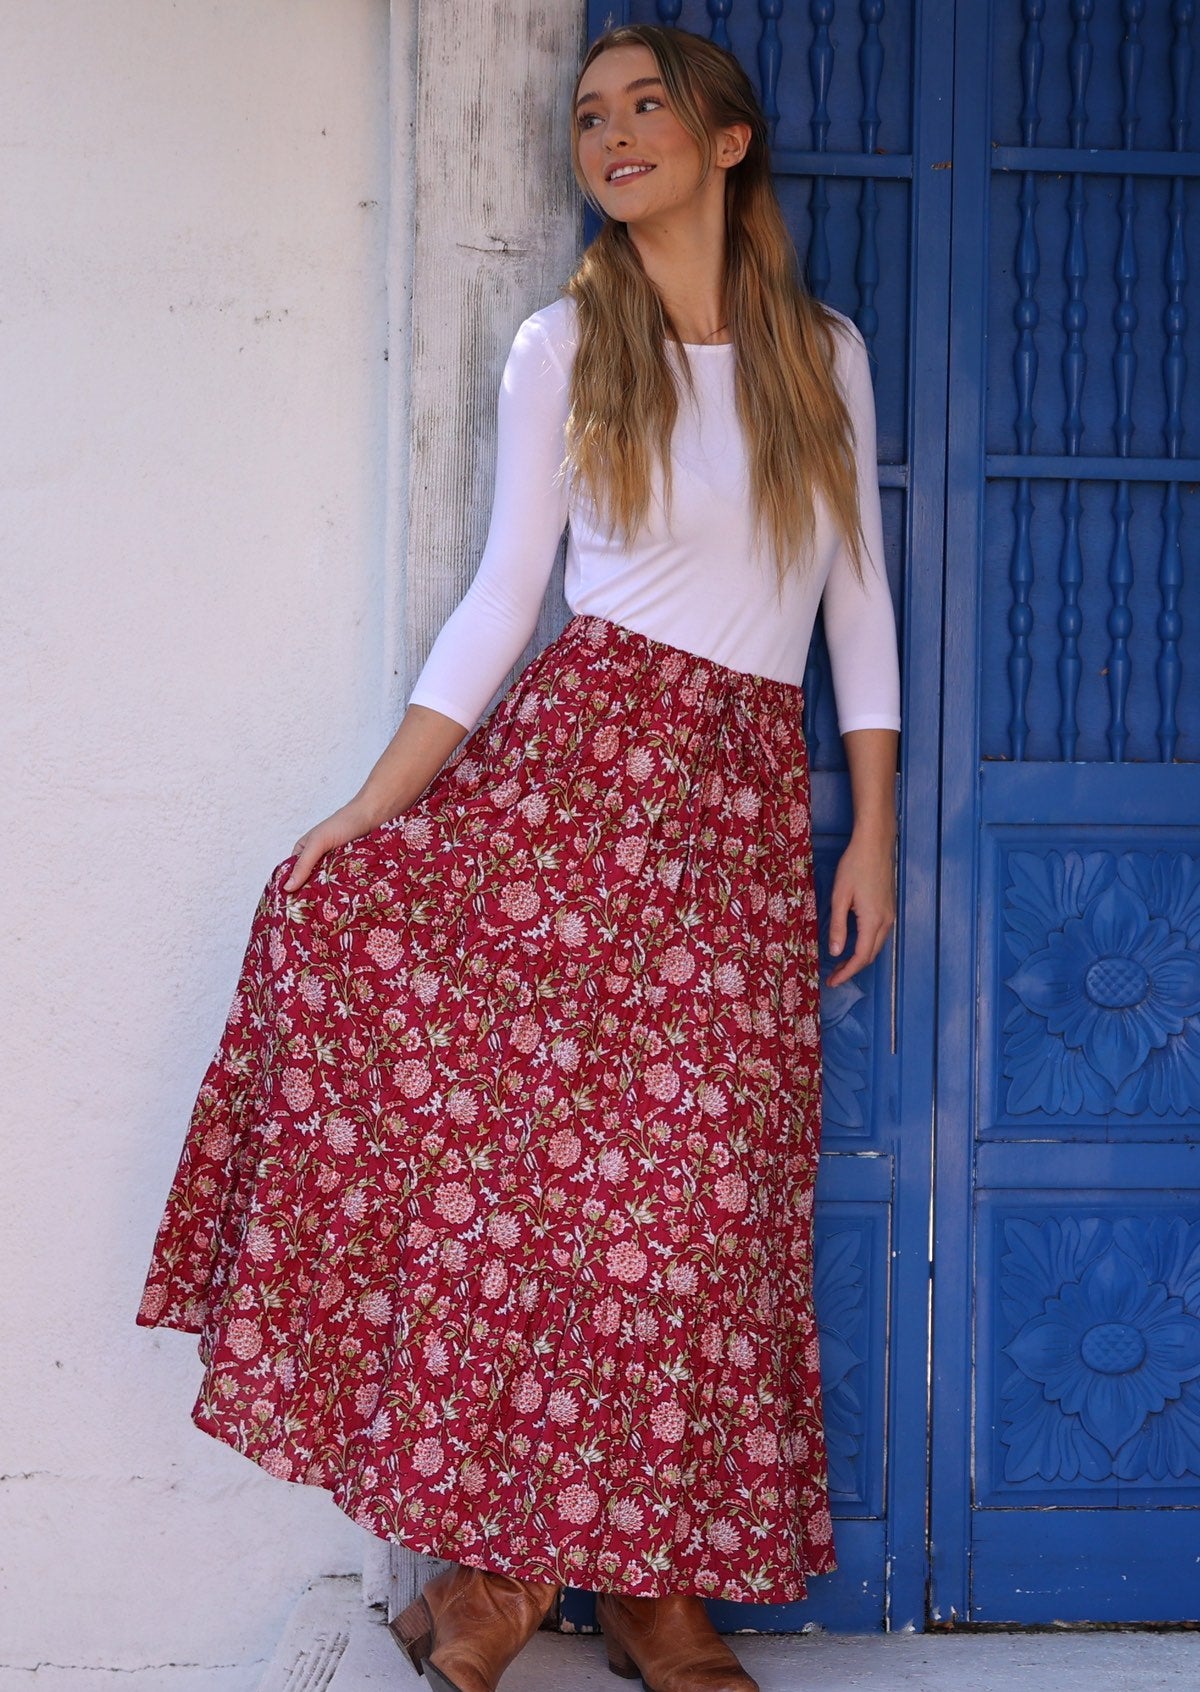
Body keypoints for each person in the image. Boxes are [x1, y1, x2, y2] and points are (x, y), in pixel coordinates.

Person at [136, 22, 900, 1692]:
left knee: (701, 1211)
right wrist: (367, 811)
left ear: (729, 142)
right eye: (588, 115)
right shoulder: (565, 342)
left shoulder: (819, 352)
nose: (612, 134)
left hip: (739, 818)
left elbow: (858, 605)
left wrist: (877, 826)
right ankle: (487, 1583)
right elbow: (504, 602)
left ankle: (653, 1591)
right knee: (530, 1196)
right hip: (572, 783)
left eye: (647, 109)